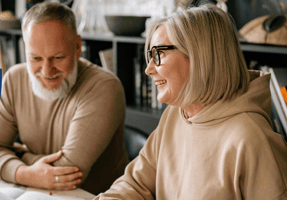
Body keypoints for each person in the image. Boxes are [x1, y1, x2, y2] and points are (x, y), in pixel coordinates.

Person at [95, 4, 287, 200]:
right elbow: (135, 184)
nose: (149, 69)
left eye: (159, 54)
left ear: (200, 56)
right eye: (149, 56)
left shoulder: (252, 139)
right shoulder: (175, 114)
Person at [0, 2, 129, 195]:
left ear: (77, 47)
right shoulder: (14, 79)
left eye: (57, 57)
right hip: (37, 193)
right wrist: (29, 173)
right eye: (35, 58)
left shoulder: (104, 87)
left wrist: (18, 154)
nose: (46, 71)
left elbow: (68, 175)